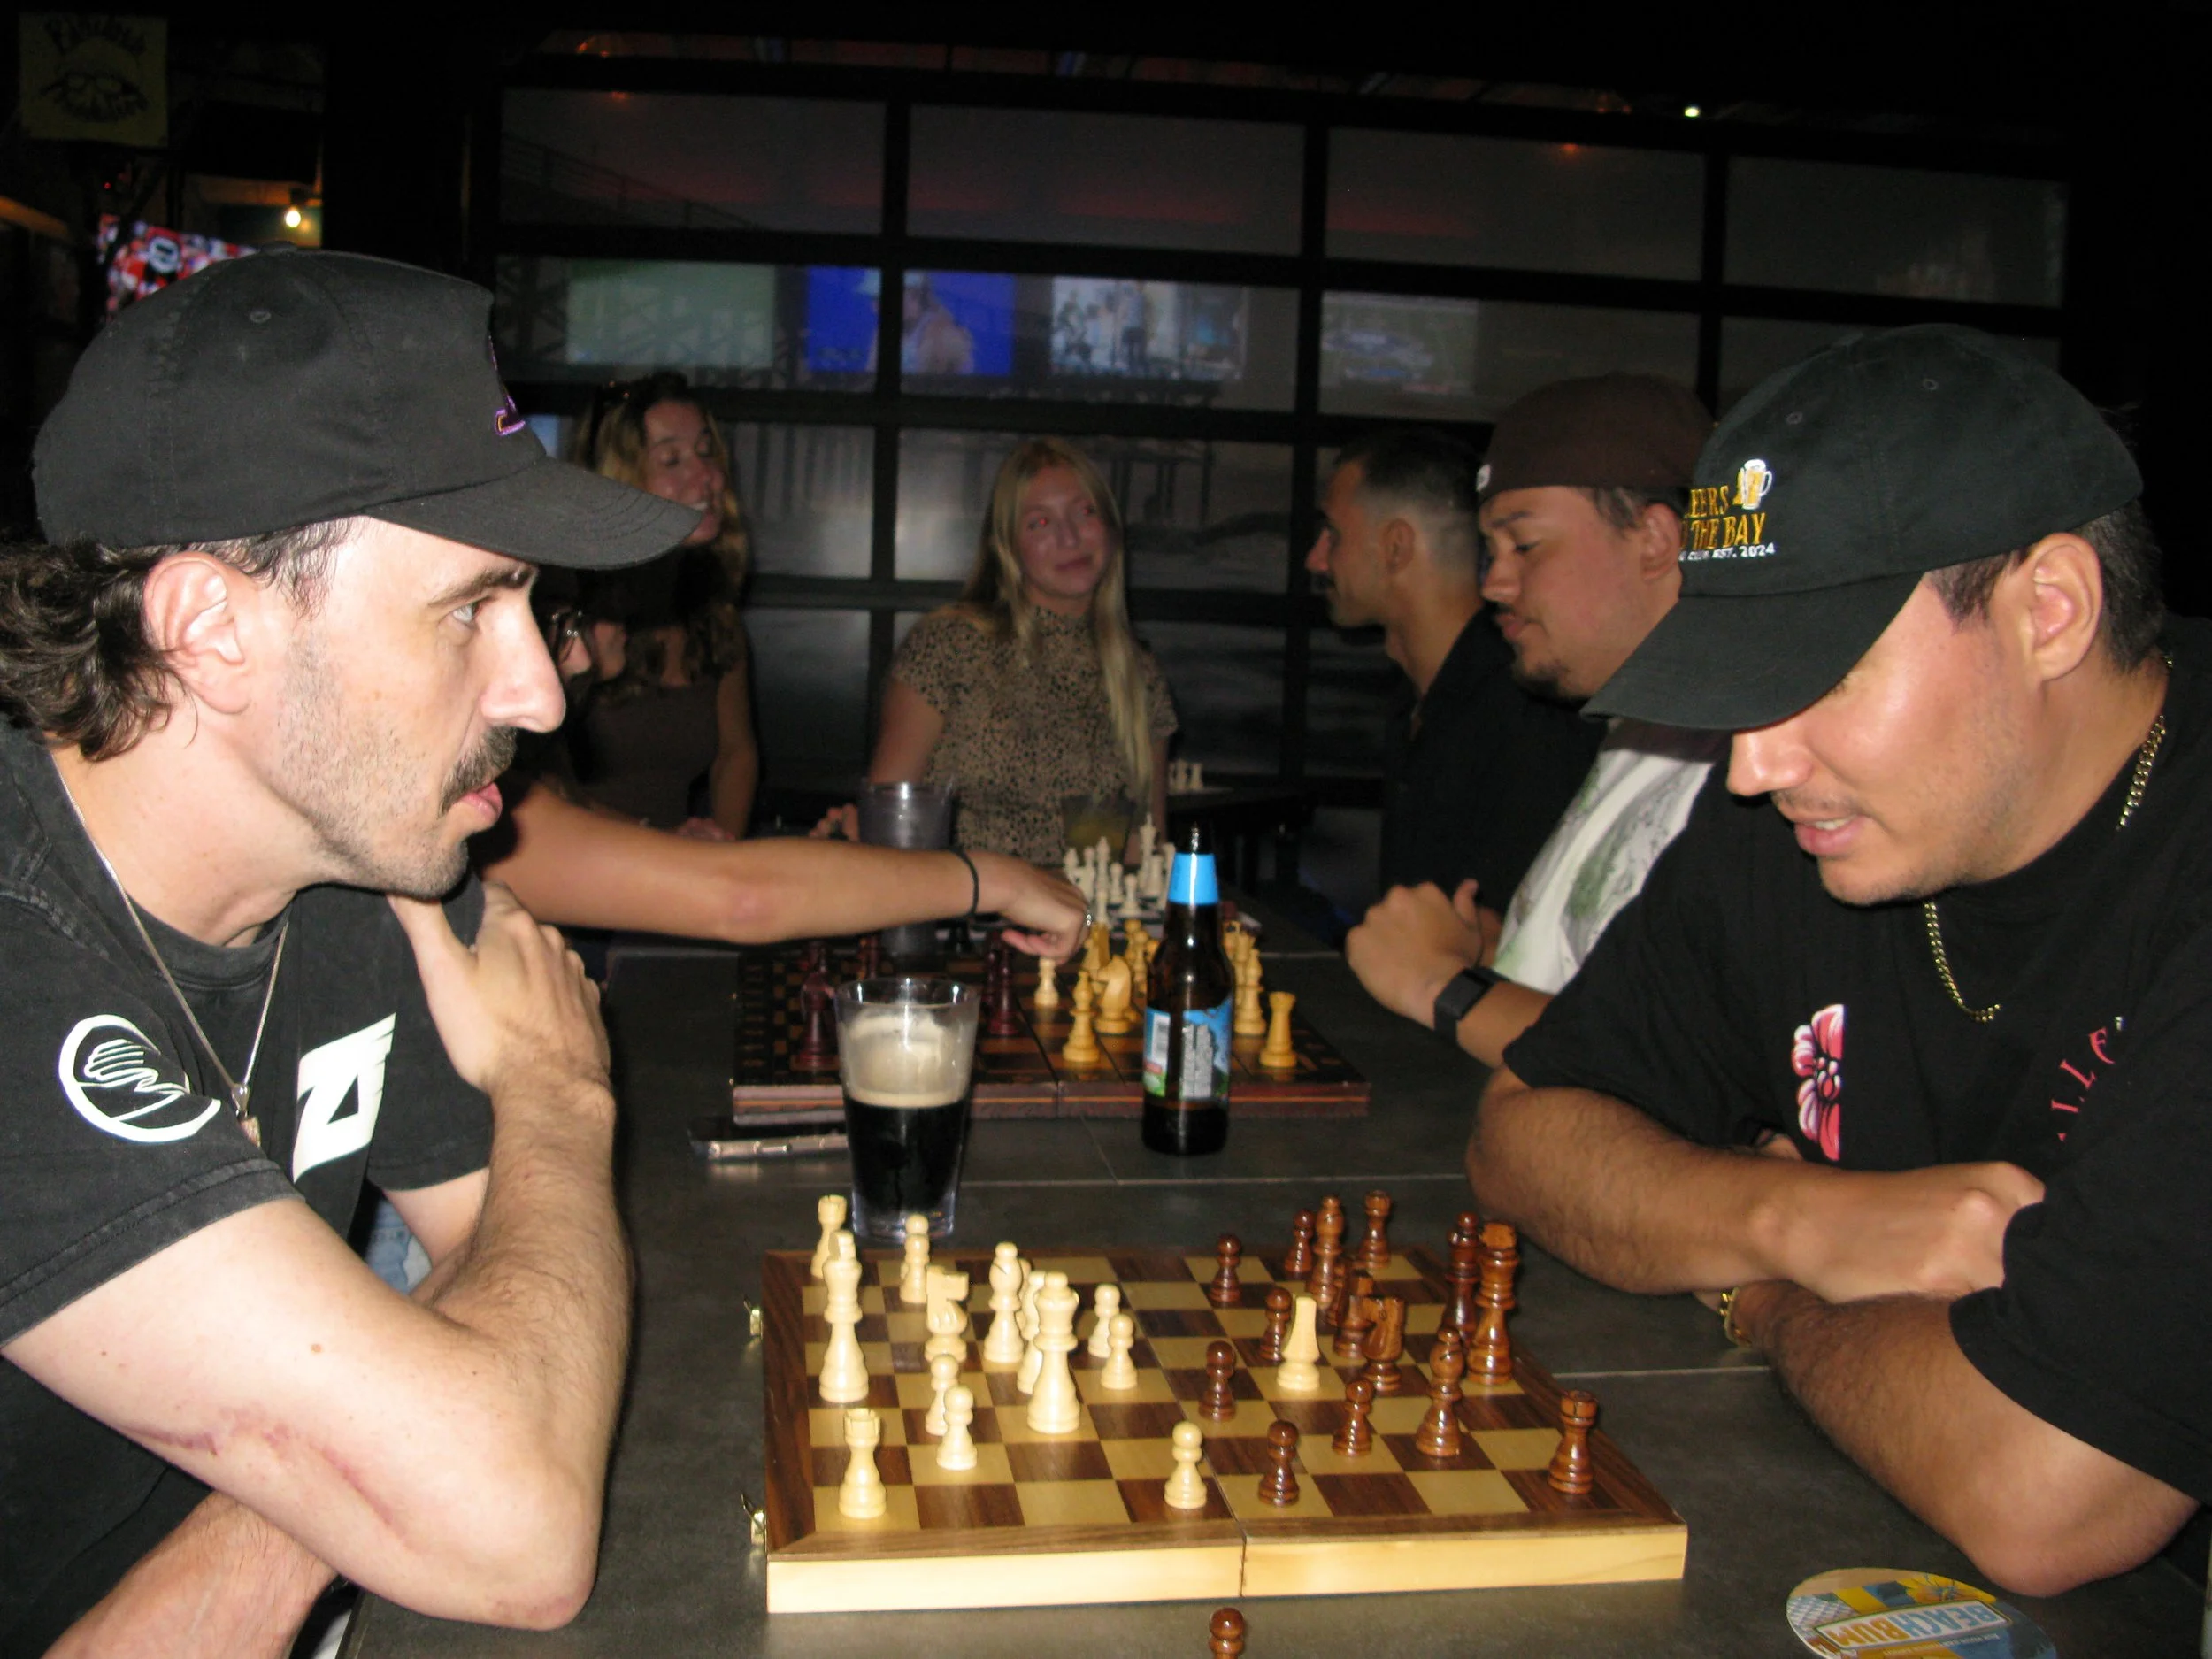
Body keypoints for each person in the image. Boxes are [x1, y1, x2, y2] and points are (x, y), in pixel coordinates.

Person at [0, 249, 702, 1655]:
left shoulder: (353, 851)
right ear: (211, 627)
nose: (544, 689)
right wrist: (562, 1092)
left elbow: (508, 1298)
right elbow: (515, 1520)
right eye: (468, 609)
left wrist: (328, 1477)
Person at [1470, 326, 2205, 1594]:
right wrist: (1802, 1216)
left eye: (1821, 677)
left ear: (2050, 610)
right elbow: (1521, 1128)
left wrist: (1760, 1297)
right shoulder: (1814, 809)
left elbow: (2042, 1493)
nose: (1752, 765)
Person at [1345, 377, 1721, 1064]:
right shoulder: (1634, 732)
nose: (1494, 582)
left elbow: (1685, 1072)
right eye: (1493, 549)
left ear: (1655, 539)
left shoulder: (1753, 768)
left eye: (1526, 545)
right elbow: (1599, 980)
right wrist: (1492, 950)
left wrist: (1446, 983)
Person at [1306, 428, 1603, 921]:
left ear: (1396, 546)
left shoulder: (1527, 715)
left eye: (1333, 534)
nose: (1316, 559)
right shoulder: (1419, 698)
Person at [866, 437, 1177, 864]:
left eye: (1084, 512)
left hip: (1086, 921)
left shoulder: (1139, 674)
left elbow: (1148, 847)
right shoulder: (948, 647)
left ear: (1110, 526)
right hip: (963, 920)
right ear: (1006, 546)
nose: (1069, 538)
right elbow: (888, 826)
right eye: (1040, 523)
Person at [571, 373, 757, 839]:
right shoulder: (567, 609)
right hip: (571, 884)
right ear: (618, 481)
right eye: (672, 458)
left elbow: (737, 754)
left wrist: (718, 857)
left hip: (670, 886)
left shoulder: (714, 613)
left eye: (706, 451)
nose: (707, 477)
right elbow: (538, 789)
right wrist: (662, 847)